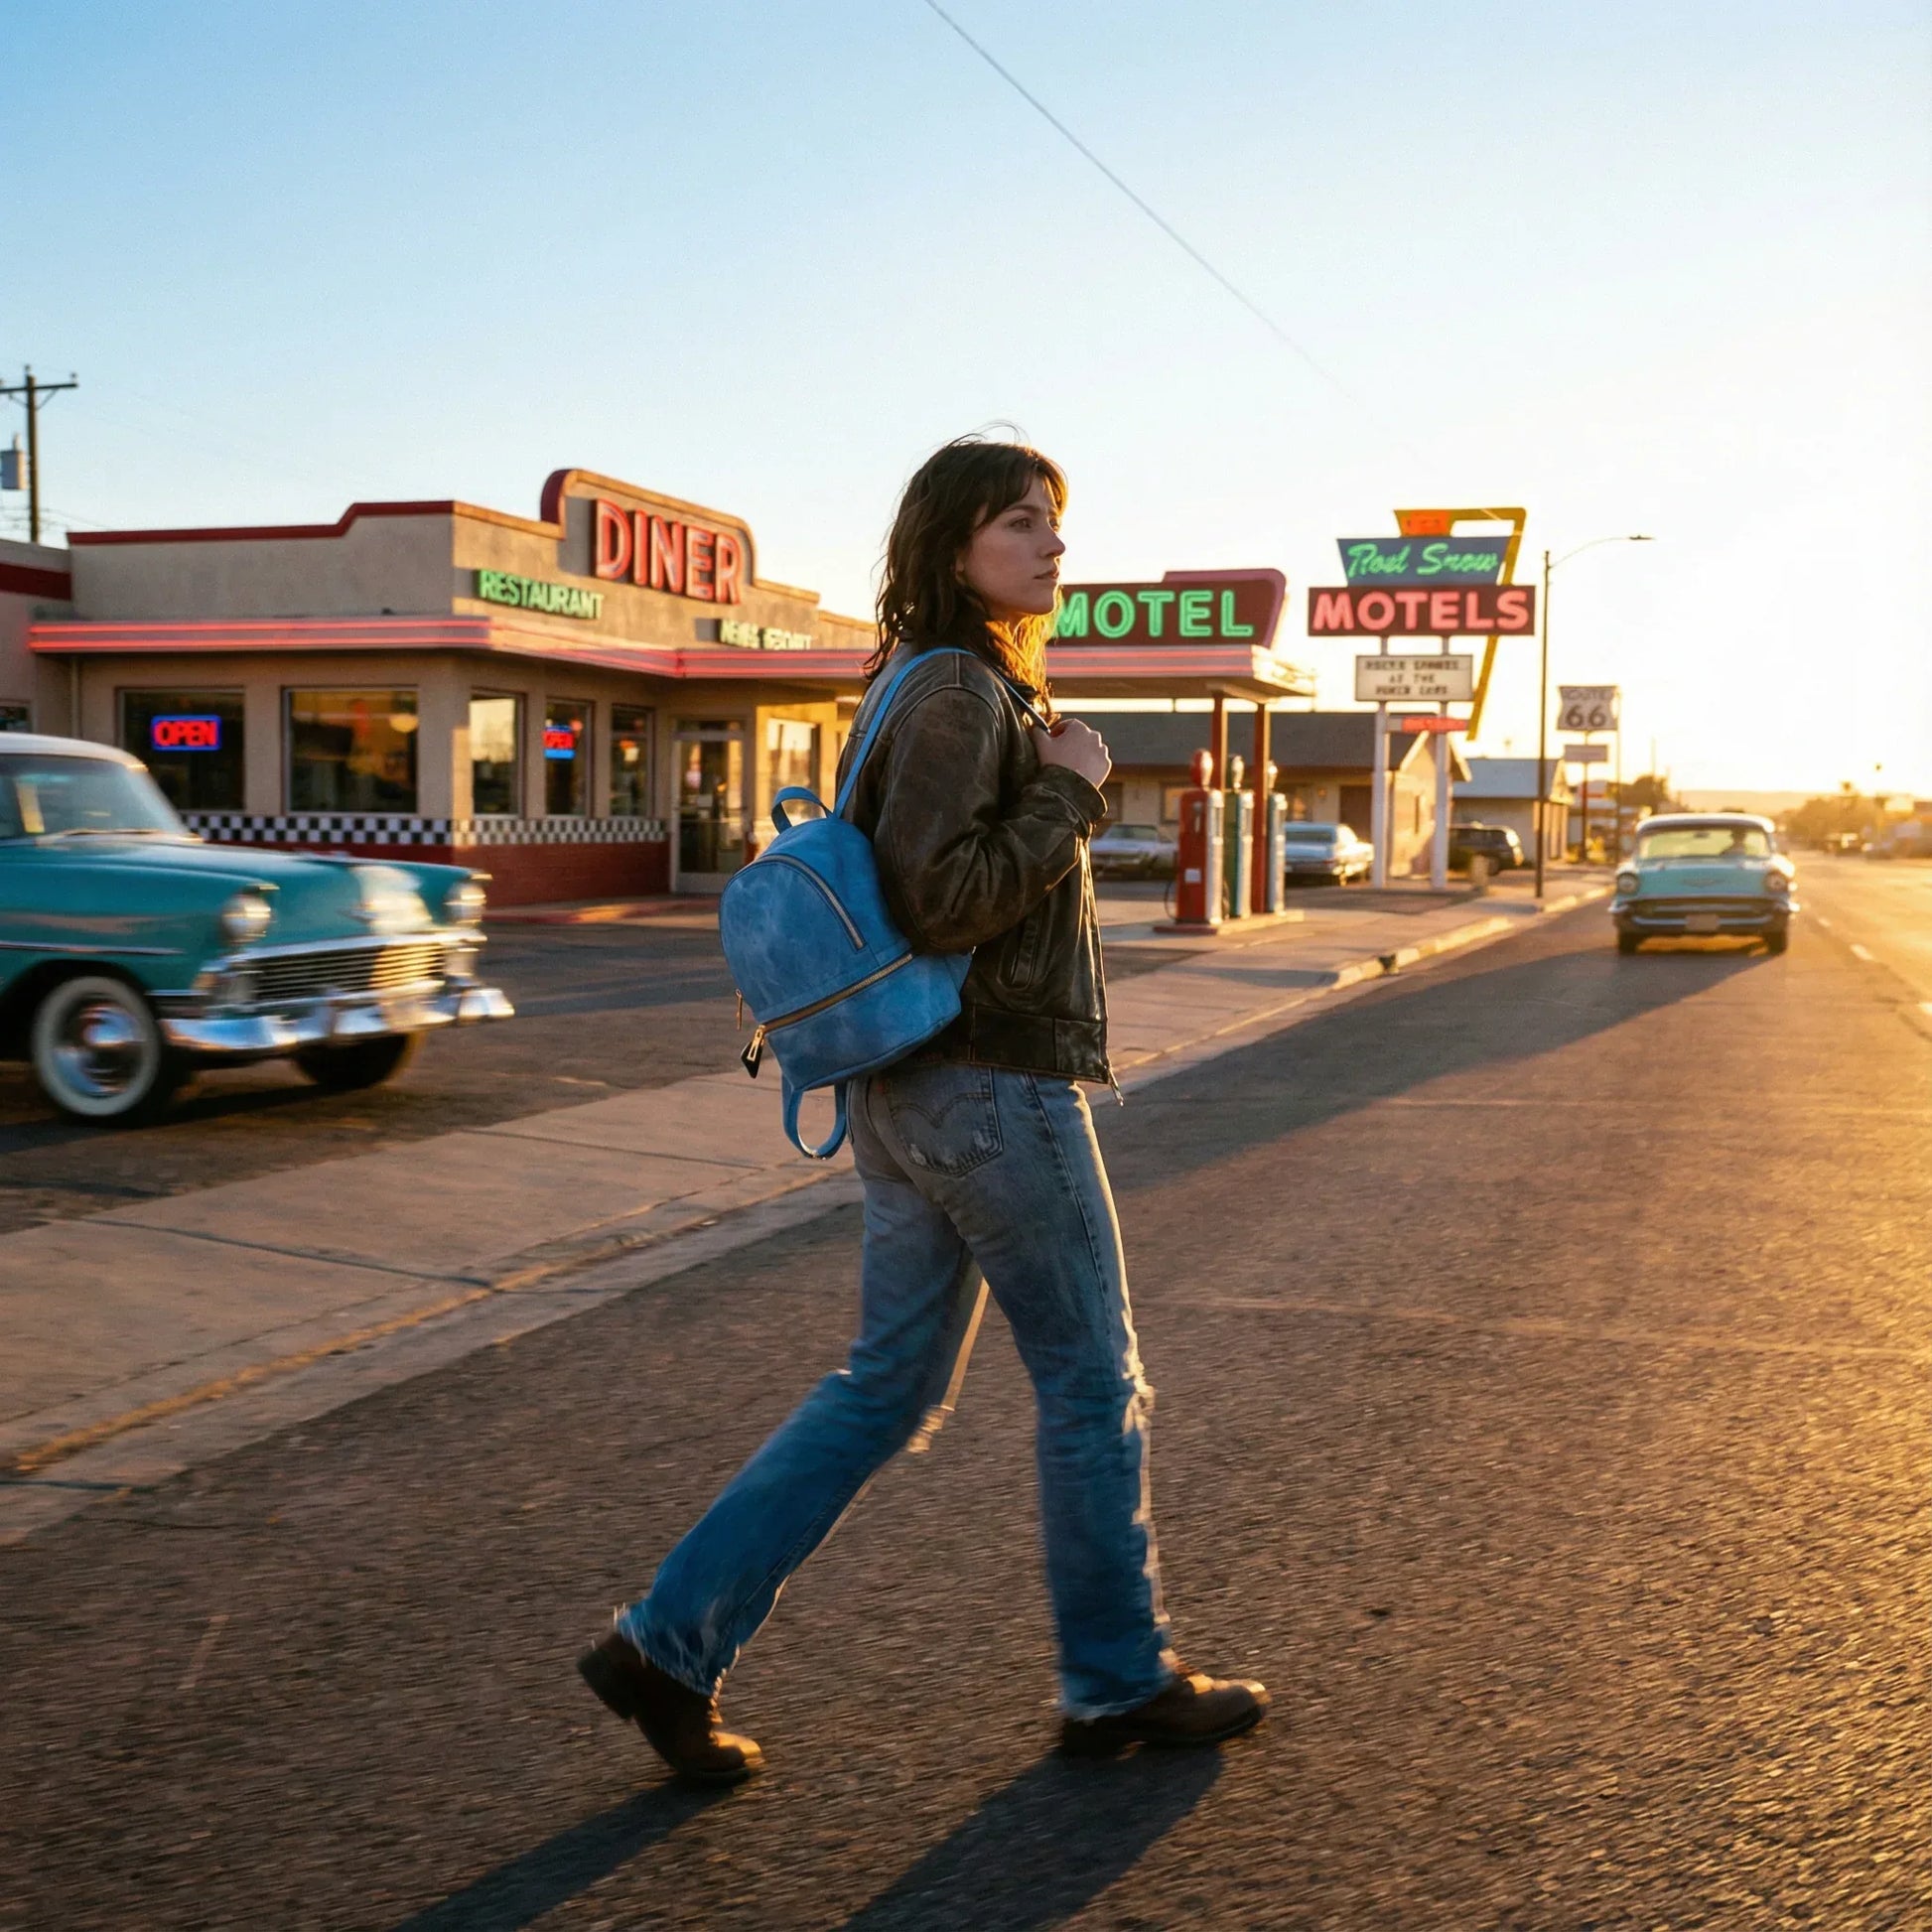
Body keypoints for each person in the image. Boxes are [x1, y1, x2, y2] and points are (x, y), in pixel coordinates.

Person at [579, 436, 1267, 1783]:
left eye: (1055, 524)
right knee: (1089, 1379)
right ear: (955, 544)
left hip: (906, 1094)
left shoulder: (910, 680)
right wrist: (1069, 784)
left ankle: (666, 1645)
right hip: (987, 1086)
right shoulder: (959, 689)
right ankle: (1115, 1680)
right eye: (1021, 524)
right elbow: (942, 896)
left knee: (882, 1389)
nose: (1053, 547)